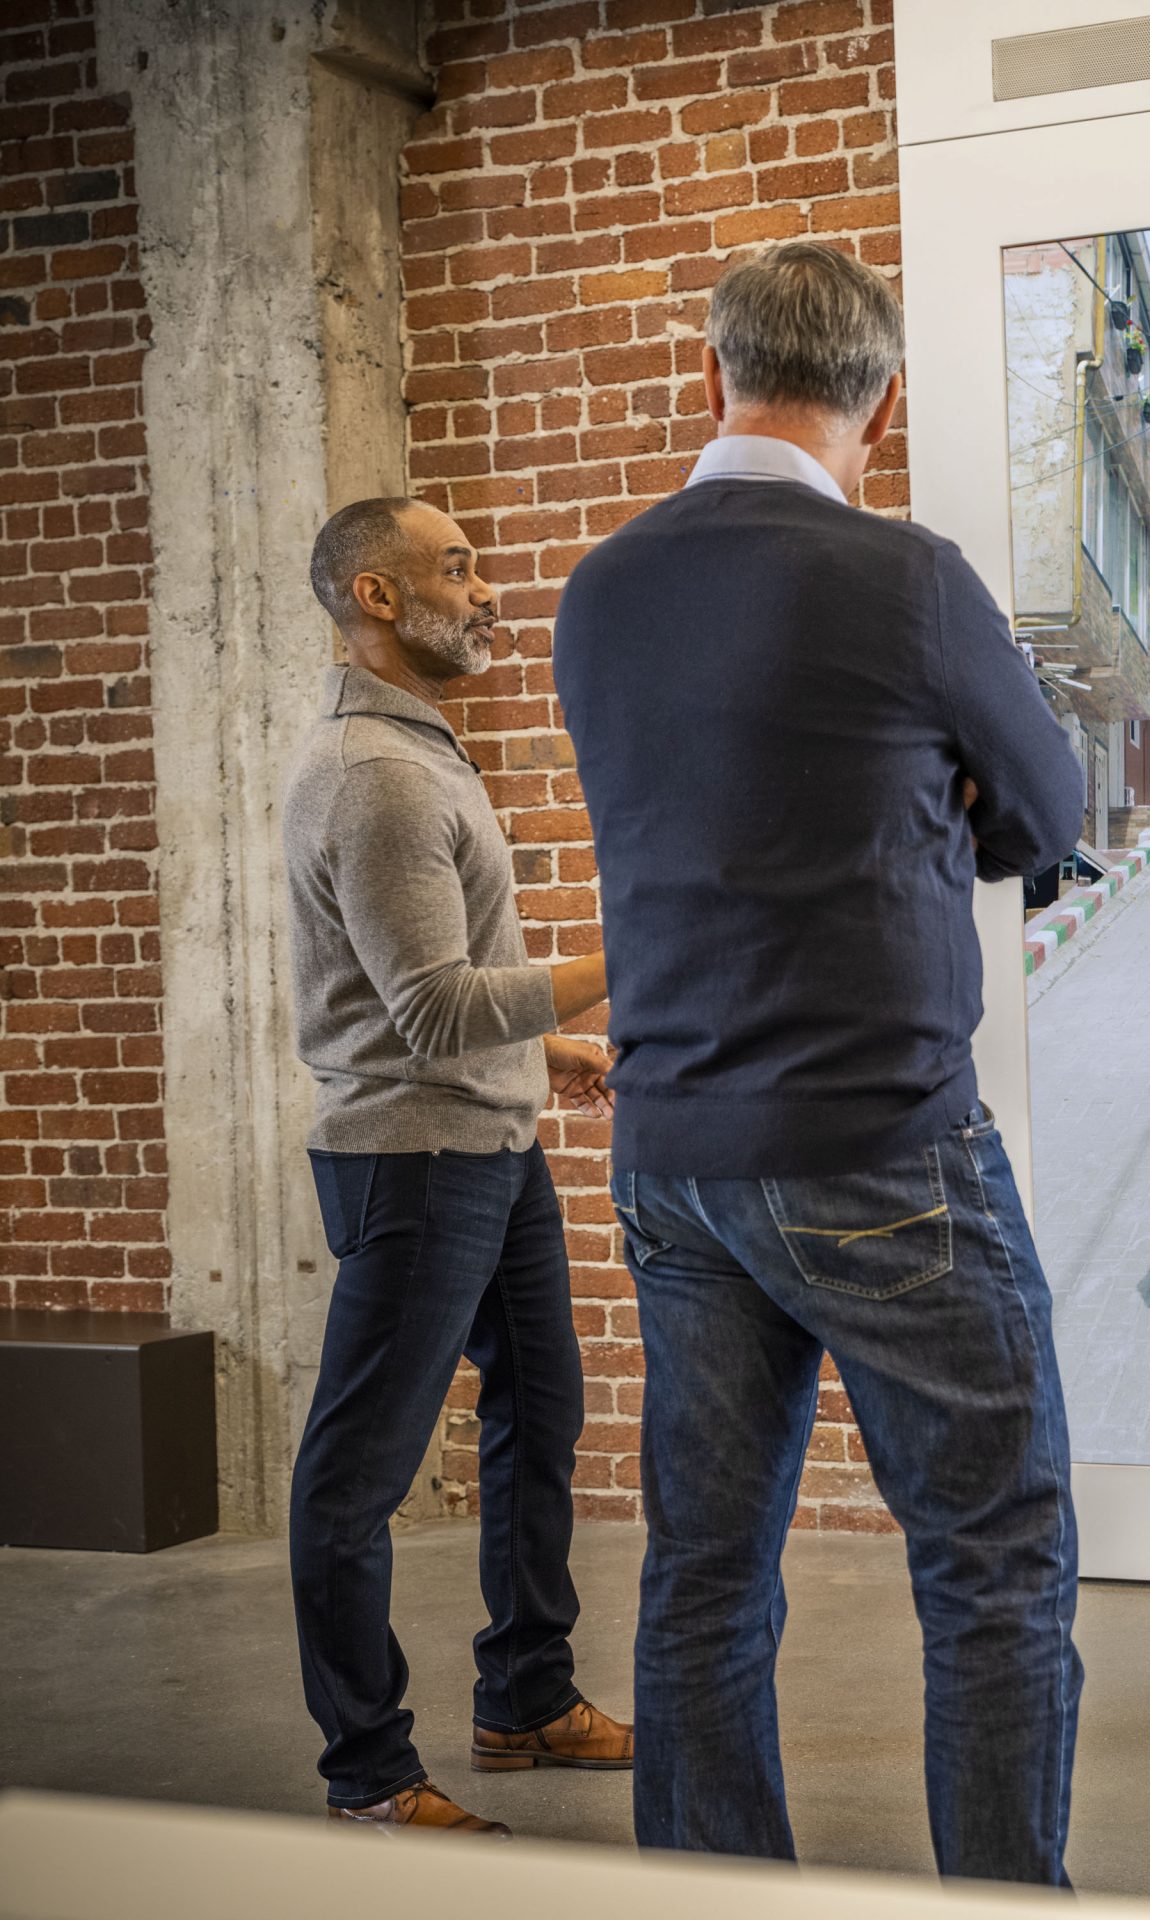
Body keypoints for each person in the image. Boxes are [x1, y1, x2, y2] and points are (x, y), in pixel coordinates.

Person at [553, 241, 1088, 1878]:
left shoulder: (603, 588)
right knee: (993, 1558)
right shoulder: (903, 579)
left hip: (675, 1156)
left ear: (710, 376)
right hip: (876, 1147)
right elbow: (1053, 819)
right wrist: (947, 809)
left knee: (705, 1568)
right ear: (885, 400)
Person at [283, 497, 632, 1836]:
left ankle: (526, 1696)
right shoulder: (375, 775)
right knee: (354, 1478)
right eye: (458, 567)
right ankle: (368, 1771)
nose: (488, 591)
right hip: (417, 1159)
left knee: (542, 1409)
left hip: (487, 1137)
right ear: (376, 597)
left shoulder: (420, 756)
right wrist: (625, 970)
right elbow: (427, 1010)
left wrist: (543, 1060)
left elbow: (411, 992)